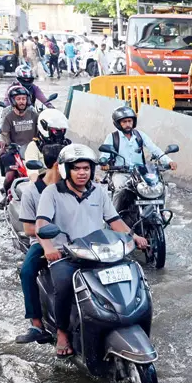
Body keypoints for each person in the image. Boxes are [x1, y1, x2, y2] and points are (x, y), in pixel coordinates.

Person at [35, 144, 148, 358]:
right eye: (76, 168)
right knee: (64, 284)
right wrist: (49, 247)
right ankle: (62, 332)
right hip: (66, 254)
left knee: (130, 274)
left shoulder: (99, 191)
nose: (82, 172)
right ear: (66, 170)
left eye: (86, 168)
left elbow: (114, 220)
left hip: (100, 251)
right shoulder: (52, 193)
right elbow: (42, 224)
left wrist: (133, 237)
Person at [15, 166, 62, 345]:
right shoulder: (32, 192)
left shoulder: (74, 187)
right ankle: (36, 324)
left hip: (74, 240)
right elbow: (28, 229)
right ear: (58, 165)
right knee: (27, 272)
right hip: (42, 242)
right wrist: (50, 238)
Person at [0, 87, 38, 206]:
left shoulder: (34, 115)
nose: (21, 101)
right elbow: (4, 134)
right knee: (9, 176)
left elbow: (41, 128)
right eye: (18, 99)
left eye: (24, 99)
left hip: (33, 149)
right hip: (15, 151)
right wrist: (5, 143)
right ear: (13, 100)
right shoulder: (9, 117)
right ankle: (6, 196)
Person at [101, 105, 172, 175]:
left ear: (133, 122)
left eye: (130, 121)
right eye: (124, 122)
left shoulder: (140, 135)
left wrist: (169, 161)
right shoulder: (112, 137)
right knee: (119, 185)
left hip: (140, 173)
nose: (128, 124)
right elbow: (105, 154)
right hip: (121, 173)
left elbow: (154, 148)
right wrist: (104, 163)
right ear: (118, 124)